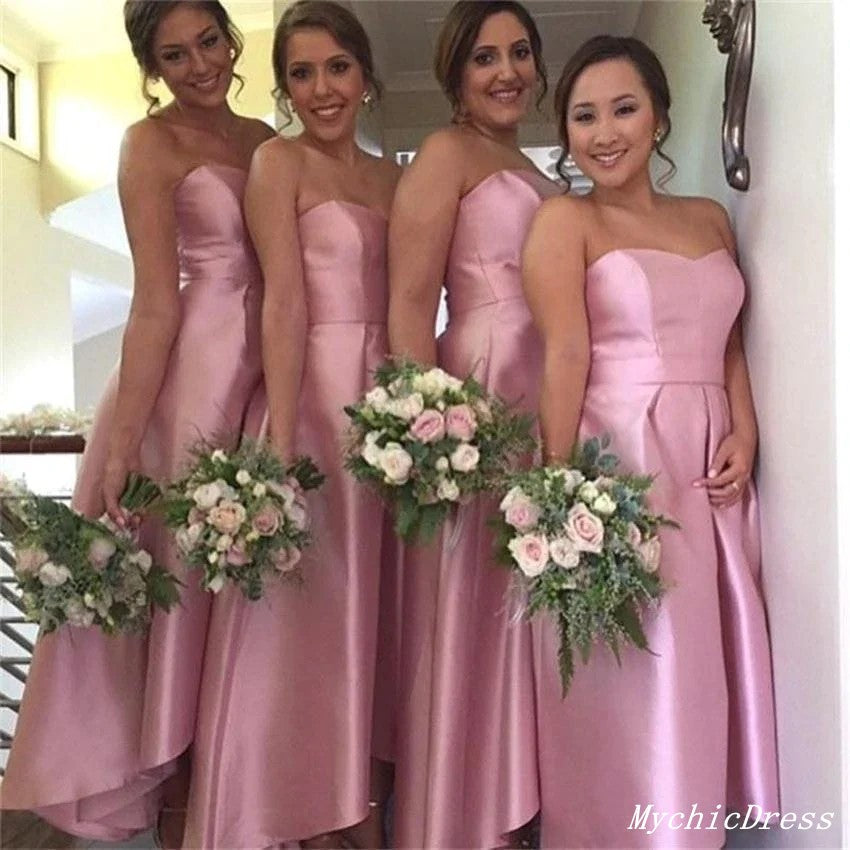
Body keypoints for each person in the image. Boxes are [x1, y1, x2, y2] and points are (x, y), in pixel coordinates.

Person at [1, 3, 274, 847]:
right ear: (151, 67)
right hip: (188, 382)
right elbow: (156, 301)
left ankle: (245, 794)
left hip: (265, 374)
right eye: (174, 54)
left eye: (209, 42)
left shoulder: (266, 136)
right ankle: (178, 803)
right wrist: (119, 449)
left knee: (246, 598)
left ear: (231, 39)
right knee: (184, 593)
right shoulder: (147, 144)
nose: (199, 65)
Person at [522, 34, 779, 848]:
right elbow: (565, 355)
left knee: (699, 661)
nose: (604, 133)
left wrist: (746, 426)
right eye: (584, 116)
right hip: (622, 460)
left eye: (623, 109)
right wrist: (557, 493)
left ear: (660, 118)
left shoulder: (708, 217)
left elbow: (732, 341)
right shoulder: (565, 220)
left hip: (710, 465)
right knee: (636, 659)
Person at [182, 3, 400, 847]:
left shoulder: (393, 176)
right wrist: (278, 437)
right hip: (308, 394)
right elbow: (282, 300)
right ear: (285, 88)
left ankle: (355, 799)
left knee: (370, 605)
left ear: (365, 75)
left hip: (385, 400)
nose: (321, 89)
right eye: (302, 74)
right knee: (297, 611)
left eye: (337, 68)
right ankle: (273, 803)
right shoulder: (278, 163)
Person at [387, 3, 558, 847]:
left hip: (546, 390)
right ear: (456, 73)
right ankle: (459, 814)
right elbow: (411, 304)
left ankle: (517, 798)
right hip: (479, 393)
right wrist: (433, 430)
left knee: (528, 589)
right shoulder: (447, 154)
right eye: (486, 57)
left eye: (520, 53)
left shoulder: (538, 169)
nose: (507, 72)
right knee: (473, 599)